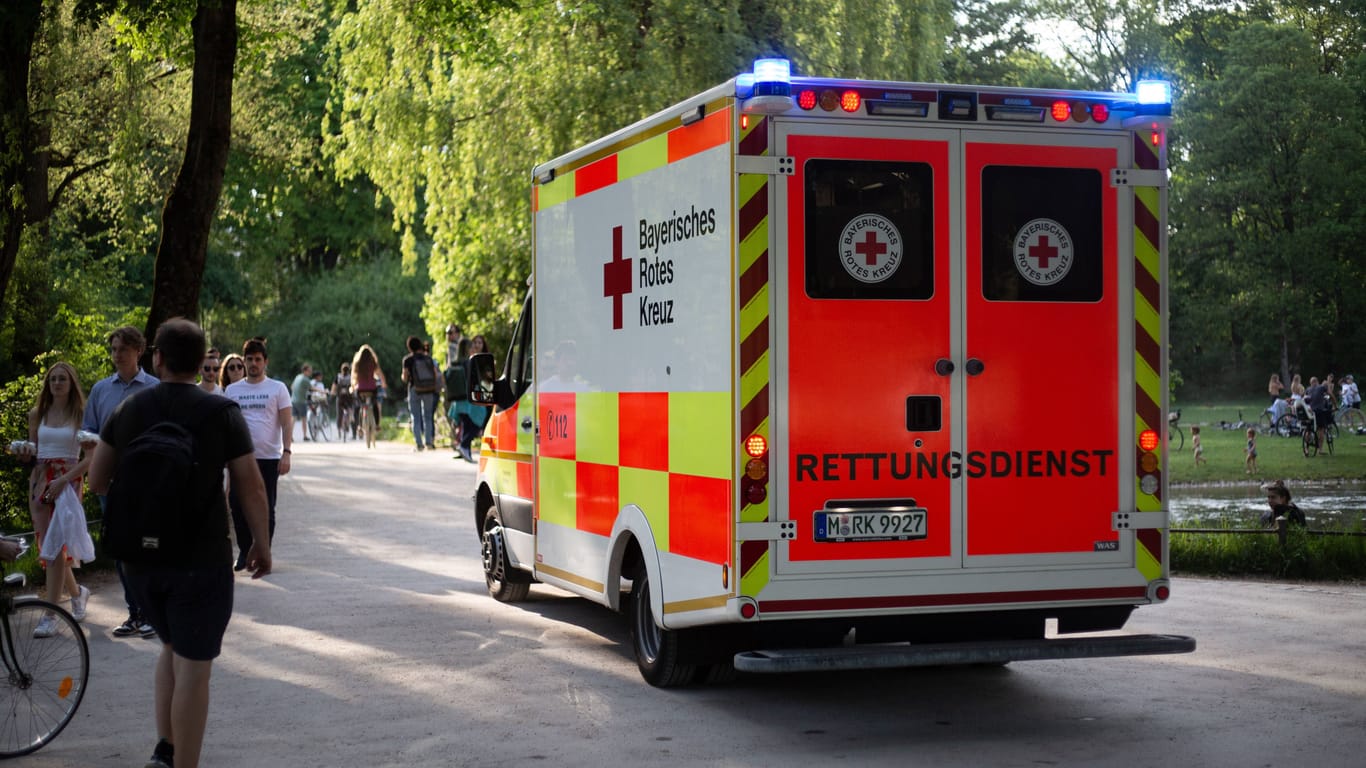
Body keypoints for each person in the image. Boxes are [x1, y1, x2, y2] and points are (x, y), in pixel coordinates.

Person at [88, 318, 273, 768]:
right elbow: (250, 487)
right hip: (201, 558)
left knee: (171, 646)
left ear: (158, 359)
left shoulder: (129, 409)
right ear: (201, 361)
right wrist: (261, 545)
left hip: (140, 560)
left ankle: (165, 749)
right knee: (194, 661)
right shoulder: (221, 412)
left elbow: (97, 480)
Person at [84, 325, 159, 639]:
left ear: (138, 352)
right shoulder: (102, 390)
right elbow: (89, 433)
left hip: (148, 482)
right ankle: (134, 612)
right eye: (113, 349)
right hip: (112, 483)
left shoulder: (155, 388)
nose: (117, 356)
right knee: (120, 549)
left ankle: (151, 611)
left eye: (123, 350)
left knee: (149, 545)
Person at [24, 362, 95, 637]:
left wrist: (64, 480)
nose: (57, 383)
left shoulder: (82, 414)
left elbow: (90, 459)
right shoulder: (36, 414)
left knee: (56, 546)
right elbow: (32, 452)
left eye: (62, 378)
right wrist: (25, 459)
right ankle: (78, 594)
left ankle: (51, 614)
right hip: (40, 482)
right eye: (52, 379)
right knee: (48, 546)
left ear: (71, 382)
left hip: (68, 481)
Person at [223, 338, 292, 571]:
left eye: (258, 359)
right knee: (237, 505)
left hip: (269, 457)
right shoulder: (232, 391)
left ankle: (263, 552)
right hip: (239, 458)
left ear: (265, 362)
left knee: (266, 507)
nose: (254, 363)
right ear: (244, 361)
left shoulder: (277, 388)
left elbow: (286, 422)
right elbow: (226, 426)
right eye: (250, 359)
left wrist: (287, 453)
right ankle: (244, 550)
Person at [401, 336, 439, 451]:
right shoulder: (428, 358)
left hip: (415, 389)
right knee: (428, 416)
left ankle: (419, 444)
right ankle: (429, 442)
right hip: (429, 389)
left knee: (415, 417)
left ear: (409, 347)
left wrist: (404, 377)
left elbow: (405, 377)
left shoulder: (408, 360)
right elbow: (435, 375)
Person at [350, 344, 386, 437]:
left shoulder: (357, 363)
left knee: (358, 406)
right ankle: (377, 425)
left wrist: (353, 386)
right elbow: (380, 375)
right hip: (372, 388)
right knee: (374, 406)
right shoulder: (373, 362)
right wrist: (383, 384)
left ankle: (359, 426)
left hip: (361, 389)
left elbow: (354, 376)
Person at [1305, 376, 1333, 452]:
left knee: (1308, 430)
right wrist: (1335, 404)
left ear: (1310, 383)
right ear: (1317, 382)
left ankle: (1306, 448)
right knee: (1321, 429)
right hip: (1319, 411)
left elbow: (1306, 399)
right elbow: (1330, 394)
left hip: (1310, 412)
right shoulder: (1321, 387)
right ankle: (1320, 449)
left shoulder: (1308, 389)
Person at [290, 364, 314, 441]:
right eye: (309, 371)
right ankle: (305, 436)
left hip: (293, 400)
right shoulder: (305, 379)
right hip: (301, 401)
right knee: (304, 418)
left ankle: (290, 436)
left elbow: (292, 386)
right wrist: (323, 391)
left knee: (293, 418)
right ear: (305, 371)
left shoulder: (298, 376)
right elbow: (312, 388)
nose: (311, 372)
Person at [333, 362, 355, 439]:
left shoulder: (338, 377)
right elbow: (354, 386)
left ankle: (339, 430)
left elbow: (334, 387)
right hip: (349, 398)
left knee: (339, 413)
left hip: (340, 398)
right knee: (350, 409)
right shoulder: (351, 377)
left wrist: (333, 393)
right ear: (349, 370)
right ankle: (348, 422)